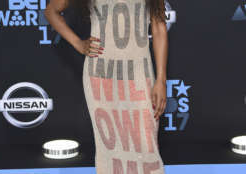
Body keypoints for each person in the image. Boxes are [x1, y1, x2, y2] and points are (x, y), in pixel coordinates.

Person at [45, 0, 168, 173]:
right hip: (101, 77)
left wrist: (161, 80)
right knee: (109, 151)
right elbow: (51, 11)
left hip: (140, 75)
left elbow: (158, 26)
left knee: (147, 149)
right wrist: (78, 43)